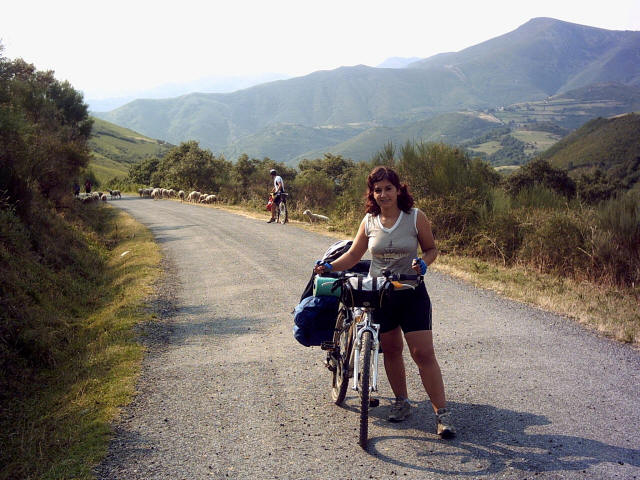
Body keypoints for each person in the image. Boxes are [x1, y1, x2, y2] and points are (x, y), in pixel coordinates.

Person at [314, 165, 455, 439]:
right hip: (379, 294)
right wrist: (330, 266)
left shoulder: (415, 217)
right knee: (391, 349)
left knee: (423, 353)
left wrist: (423, 263)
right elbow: (354, 256)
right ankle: (402, 402)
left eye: (388, 188)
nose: (383, 194)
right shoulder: (369, 221)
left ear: (398, 189)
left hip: (411, 292)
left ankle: (442, 414)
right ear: (372, 193)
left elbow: (431, 249)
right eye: (377, 190)